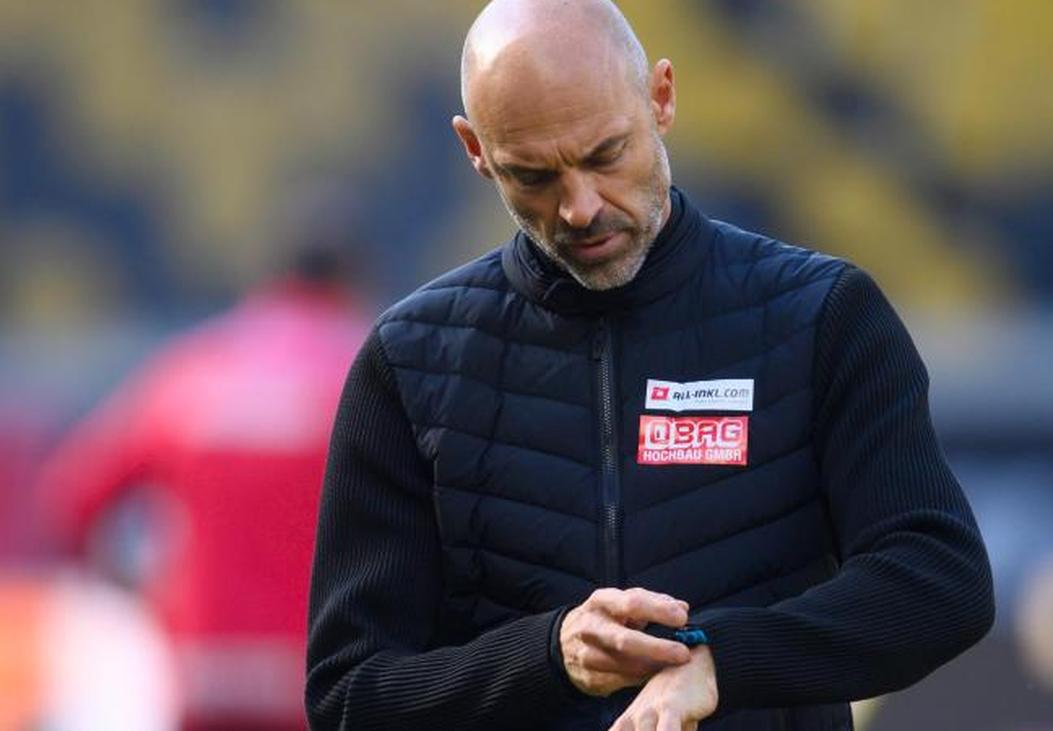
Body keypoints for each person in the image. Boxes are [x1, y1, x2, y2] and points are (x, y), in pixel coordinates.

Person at [305, 2, 994, 729]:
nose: (579, 207)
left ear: (661, 97)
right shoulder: (411, 361)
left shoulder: (821, 314)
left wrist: (720, 661)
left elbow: (941, 582)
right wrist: (548, 658)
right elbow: (349, 694)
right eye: (532, 175)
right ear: (475, 149)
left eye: (606, 155)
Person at [38, 183, 371, 731]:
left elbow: (72, 497)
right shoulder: (364, 376)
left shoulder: (192, 370)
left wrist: (140, 592)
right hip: (318, 676)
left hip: (201, 673)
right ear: (351, 281)